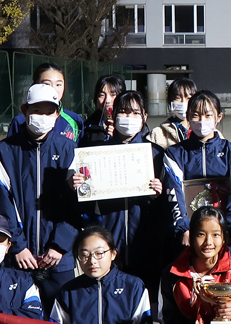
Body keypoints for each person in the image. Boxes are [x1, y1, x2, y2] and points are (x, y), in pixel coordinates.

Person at [0, 83, 79, 311]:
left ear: (57, 114)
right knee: (19, 320)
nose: (43, 117)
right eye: (37, 110)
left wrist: (59, 246)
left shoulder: (70, 150)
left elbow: (75, 206)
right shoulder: (4, 150)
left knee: (62, 321)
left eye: (49, 112)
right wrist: (18, 246)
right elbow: (2, 202)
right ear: (24, 111)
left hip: (59, 260)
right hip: (19, 259)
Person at [70, 90, 166, 283]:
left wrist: (158, 195)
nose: (129, 118)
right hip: (108, 243)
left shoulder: (156, 154)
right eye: (123, 112)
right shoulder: (95, 154)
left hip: (145, 246)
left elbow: (168, 206)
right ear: (113, 116)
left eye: (135, 113)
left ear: (145, 117)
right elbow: (84, 205)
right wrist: (76, 187)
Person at [165, 90, 231, 260]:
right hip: (192, 237)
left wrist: (228, 230)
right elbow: (174, 193)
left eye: (208, 115)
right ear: (188, 117)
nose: (201, 121)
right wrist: (184, 228)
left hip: (229, 239)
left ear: (219, 117)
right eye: (195, 115)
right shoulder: (175, 153)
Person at [51, 226, 153, 324]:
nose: (92, 261)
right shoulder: (68, 292)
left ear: (113, 254)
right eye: (84, 255)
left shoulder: (133, 286)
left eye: (99, 253)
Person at [6, 63, 83, 142]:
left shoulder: (75, 120)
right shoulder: (19, 121)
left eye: (58, 84)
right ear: (34, 86)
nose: (53, 89)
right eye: (46, 84)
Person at [151, 77, 197, 150]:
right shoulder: (157, 133)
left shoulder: (207, 131)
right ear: (169, 101)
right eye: (178, 98)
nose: (183, 102)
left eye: (189, 98)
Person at [80, 75, 126, 147]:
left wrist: (120, 136)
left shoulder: (130, 123)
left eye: (113, 94)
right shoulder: (88, 126)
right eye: (101, 95)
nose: (107, 100)